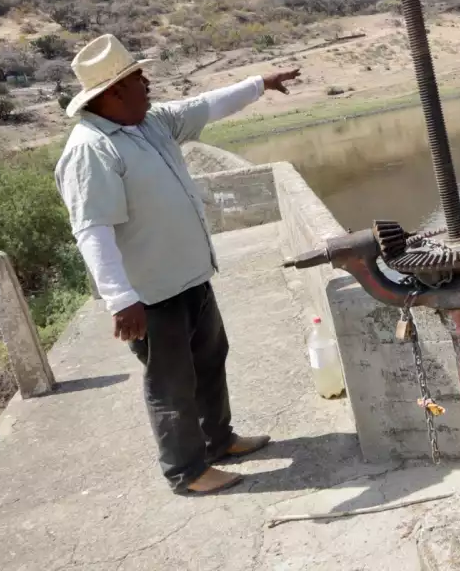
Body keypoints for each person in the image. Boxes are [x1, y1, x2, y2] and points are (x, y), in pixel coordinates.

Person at [54, 33, 301, 495]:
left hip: (189, 276)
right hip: (150, 294)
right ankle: (186, 472)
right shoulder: (91, 150)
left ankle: (218, 440)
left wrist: (259, 84)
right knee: (172, 383)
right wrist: (120, 299)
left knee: (209, 359)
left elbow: (205, 105)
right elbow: (92, 229)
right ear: (114, 93)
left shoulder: (150, 123)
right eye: (138, 78)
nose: (148, 83)